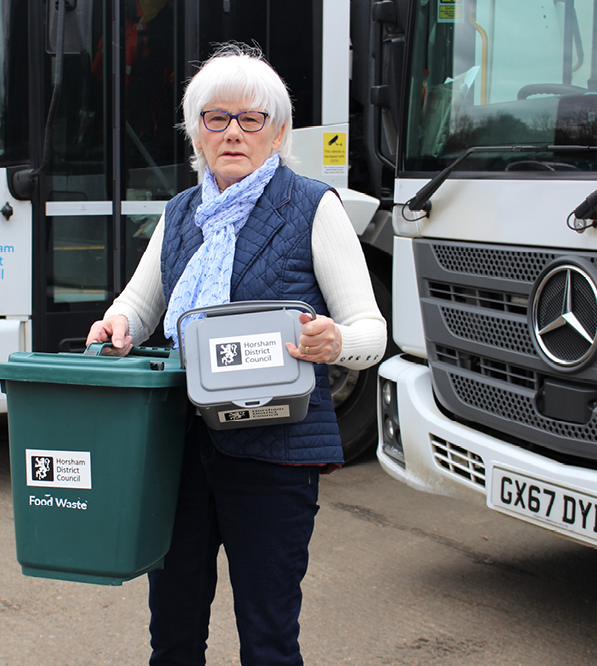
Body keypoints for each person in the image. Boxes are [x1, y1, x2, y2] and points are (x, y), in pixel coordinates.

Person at [86, 43, 387, 666]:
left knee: (269, 637)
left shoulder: (313, 207)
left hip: (275, 457)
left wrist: (336, 342)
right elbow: (140, 305)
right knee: (172, 635)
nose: (233, 133)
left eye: (252, 120)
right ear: (196, 132)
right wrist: (115, 322)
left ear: (277, 132)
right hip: (178, 454)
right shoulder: (180, 213)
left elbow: (371, 331)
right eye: (216, 118)